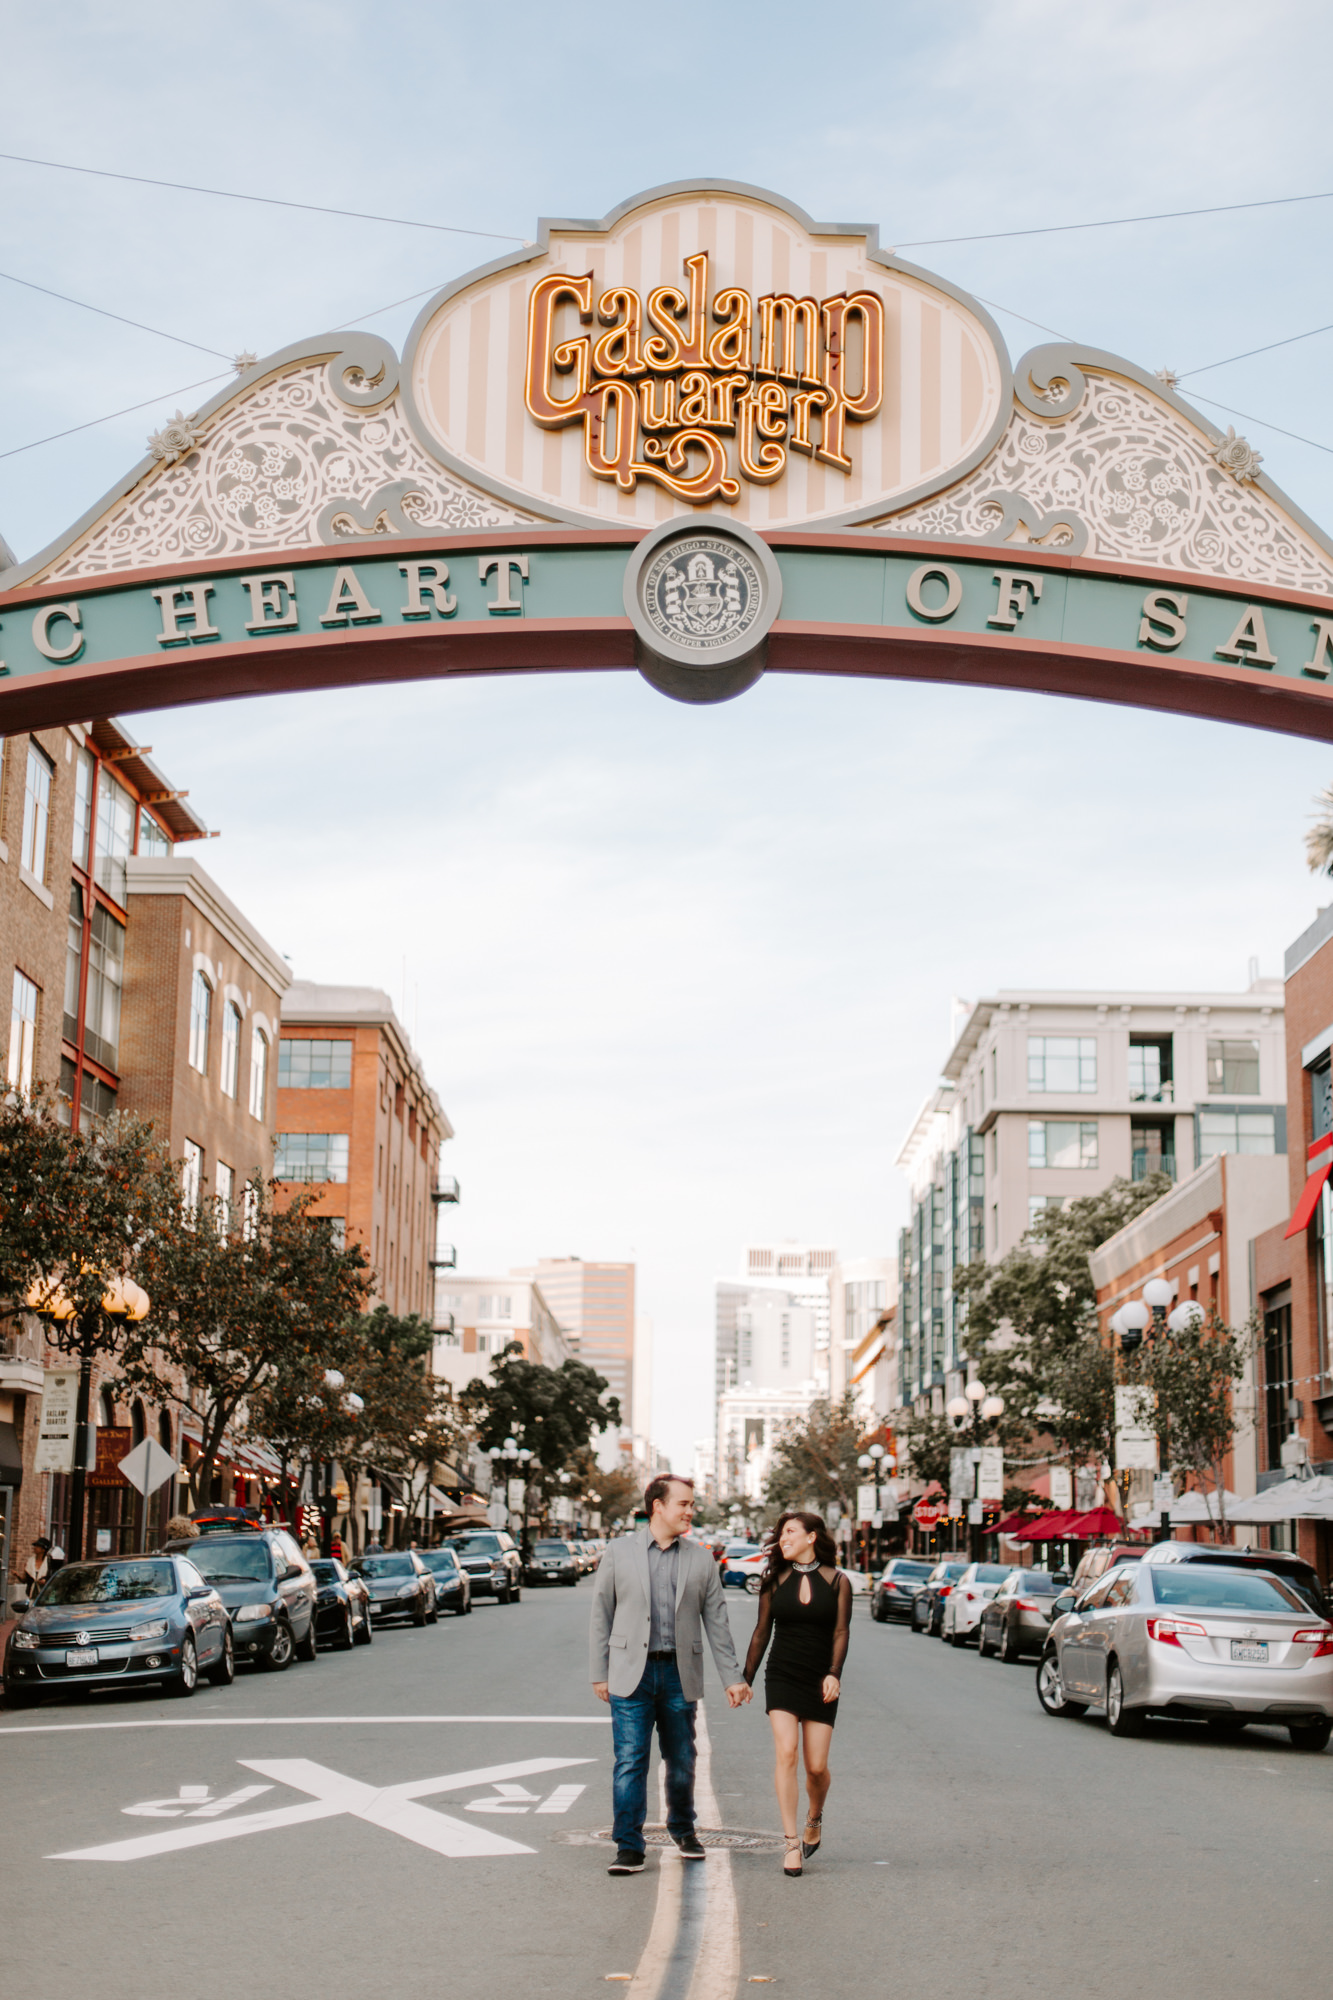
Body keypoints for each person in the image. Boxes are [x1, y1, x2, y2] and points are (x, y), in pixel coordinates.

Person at [590, 1474, 752, 1876]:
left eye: (692, 1504)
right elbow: (601, 1615)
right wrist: (599, 1672)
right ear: (657, 1506)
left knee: (681, 1759)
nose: (690, 1511)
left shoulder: (701, 1558)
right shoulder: (618, 1551)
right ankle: (628, 1845)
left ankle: (683, 1829)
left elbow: (717, 1622)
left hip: (680, 1673)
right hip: (632, 1673)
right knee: (630, 1760)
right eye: (683, 1504)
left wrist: (733, 1677)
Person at [742, 1512, 851, 1878]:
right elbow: (761, 1633)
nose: (782, 1538)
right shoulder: (775, 1580)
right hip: (782, 1674)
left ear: (811, 1537)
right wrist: (745, 1679)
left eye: (790, 1532)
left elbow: (840, 1632)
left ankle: (814, 1817)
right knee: (786, 1753)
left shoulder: (838, 1581)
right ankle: (790, 1844)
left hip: (820, 1678)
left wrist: (834, 1674)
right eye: (781, 1533)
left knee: (816, 1767)